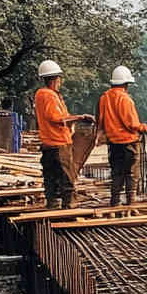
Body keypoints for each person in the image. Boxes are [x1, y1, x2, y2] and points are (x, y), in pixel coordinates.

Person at [33, 61, 94, 210]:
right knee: (67, 177)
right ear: (55, 79)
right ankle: (69, 206)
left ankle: (52, 204)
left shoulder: (43, 95)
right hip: (59, 143)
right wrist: (80, 117)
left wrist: (74, 119)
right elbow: (57, 118)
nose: (60, 82)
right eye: (59, 79)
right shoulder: (48, 95)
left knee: (50, 177)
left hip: (48, 143)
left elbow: (60, 117)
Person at [96, 65, 147, 206]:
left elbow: (100, 120)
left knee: (117, 172)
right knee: (131, 174)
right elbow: (132, 124)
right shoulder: (125, 99)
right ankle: (131, 202)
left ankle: (115, 201)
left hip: (113, 143)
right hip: (129, 142)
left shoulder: (104, 98)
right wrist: (145, 127)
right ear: (126, 84)